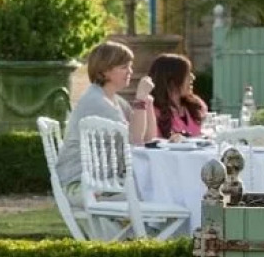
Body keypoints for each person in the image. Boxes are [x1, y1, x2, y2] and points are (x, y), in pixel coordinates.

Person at [58, 41, 147, 188]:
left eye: (130, 66)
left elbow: (144, 137)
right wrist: (141, 99)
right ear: (104, 71)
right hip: (80, 184)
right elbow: (135, 138)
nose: (130, 71)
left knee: (150, 190)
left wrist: (147, 103)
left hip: (103, 180)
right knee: (148, 194)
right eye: (124, 67)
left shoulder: (115, 100)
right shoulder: (96, 101)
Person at [148, 53, 207, 139]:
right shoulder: (152, 109)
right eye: (187, 74)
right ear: (172, 80)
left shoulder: (197, 105)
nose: (192, 77)